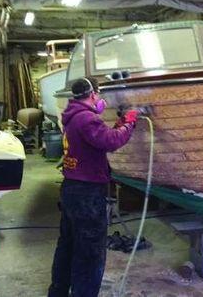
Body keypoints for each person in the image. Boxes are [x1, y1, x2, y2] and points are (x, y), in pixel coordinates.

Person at [48, 77, 138, 297]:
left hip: (71, 189)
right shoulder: (87, 119)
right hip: (87, 194)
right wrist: (130, 122)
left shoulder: (71, 116)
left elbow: (100, 139)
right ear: (93, 94)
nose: (100, 100)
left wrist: (118, 125)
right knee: (90, 252)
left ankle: (58, 292)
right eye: (98, 95)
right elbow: (112, 141)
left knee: (67, 245)